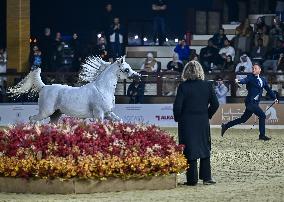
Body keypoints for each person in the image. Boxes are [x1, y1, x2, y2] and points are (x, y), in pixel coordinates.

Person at [173, 61, 219, 186]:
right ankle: (207, 177)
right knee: (204, 146)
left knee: (190, 149)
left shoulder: (183, 86)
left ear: (186, 72)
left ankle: (192, 179)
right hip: (202, 120)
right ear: (200, 71)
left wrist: (178, 118)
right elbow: (215, 104)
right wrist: (207, 114)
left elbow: (177, 107)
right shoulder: (208, 85)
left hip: (186, 122)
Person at [221, 63, 279, 141]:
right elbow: (244, 80)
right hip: (250, 102)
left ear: (259, 70)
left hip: (255, 103)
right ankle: (262, 135)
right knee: (262, 116)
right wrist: (238, 80)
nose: (253, 70)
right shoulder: (250, 77)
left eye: (255, 68)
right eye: (252, 68)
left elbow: (268, 90)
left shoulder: (263, 80)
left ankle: (226, 126)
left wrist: (274, 98)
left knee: (243, 119)